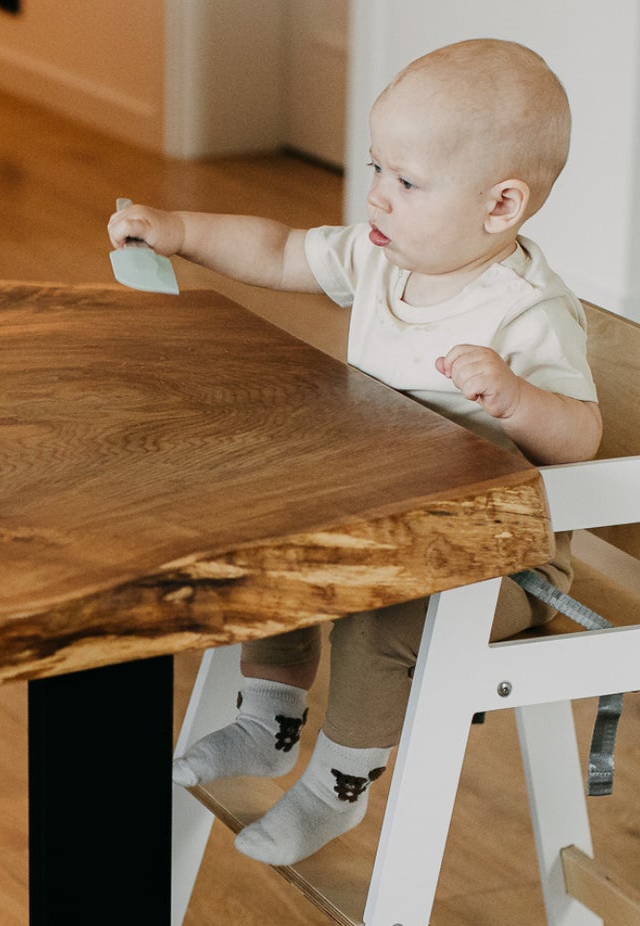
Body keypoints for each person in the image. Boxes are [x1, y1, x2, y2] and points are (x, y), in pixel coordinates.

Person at [109, 38, 601, 866]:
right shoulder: (385, 259)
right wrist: (179, 231)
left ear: (499, 206)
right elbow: (276, 250)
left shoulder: (524, 312)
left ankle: (337, 783)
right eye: (377, 168)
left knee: (383, 618)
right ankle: (270, 722)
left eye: (405, 183)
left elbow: (581, 437)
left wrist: (517, 399)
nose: (375, 197)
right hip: (390, 522)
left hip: (501, 559)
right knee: (280, 554)